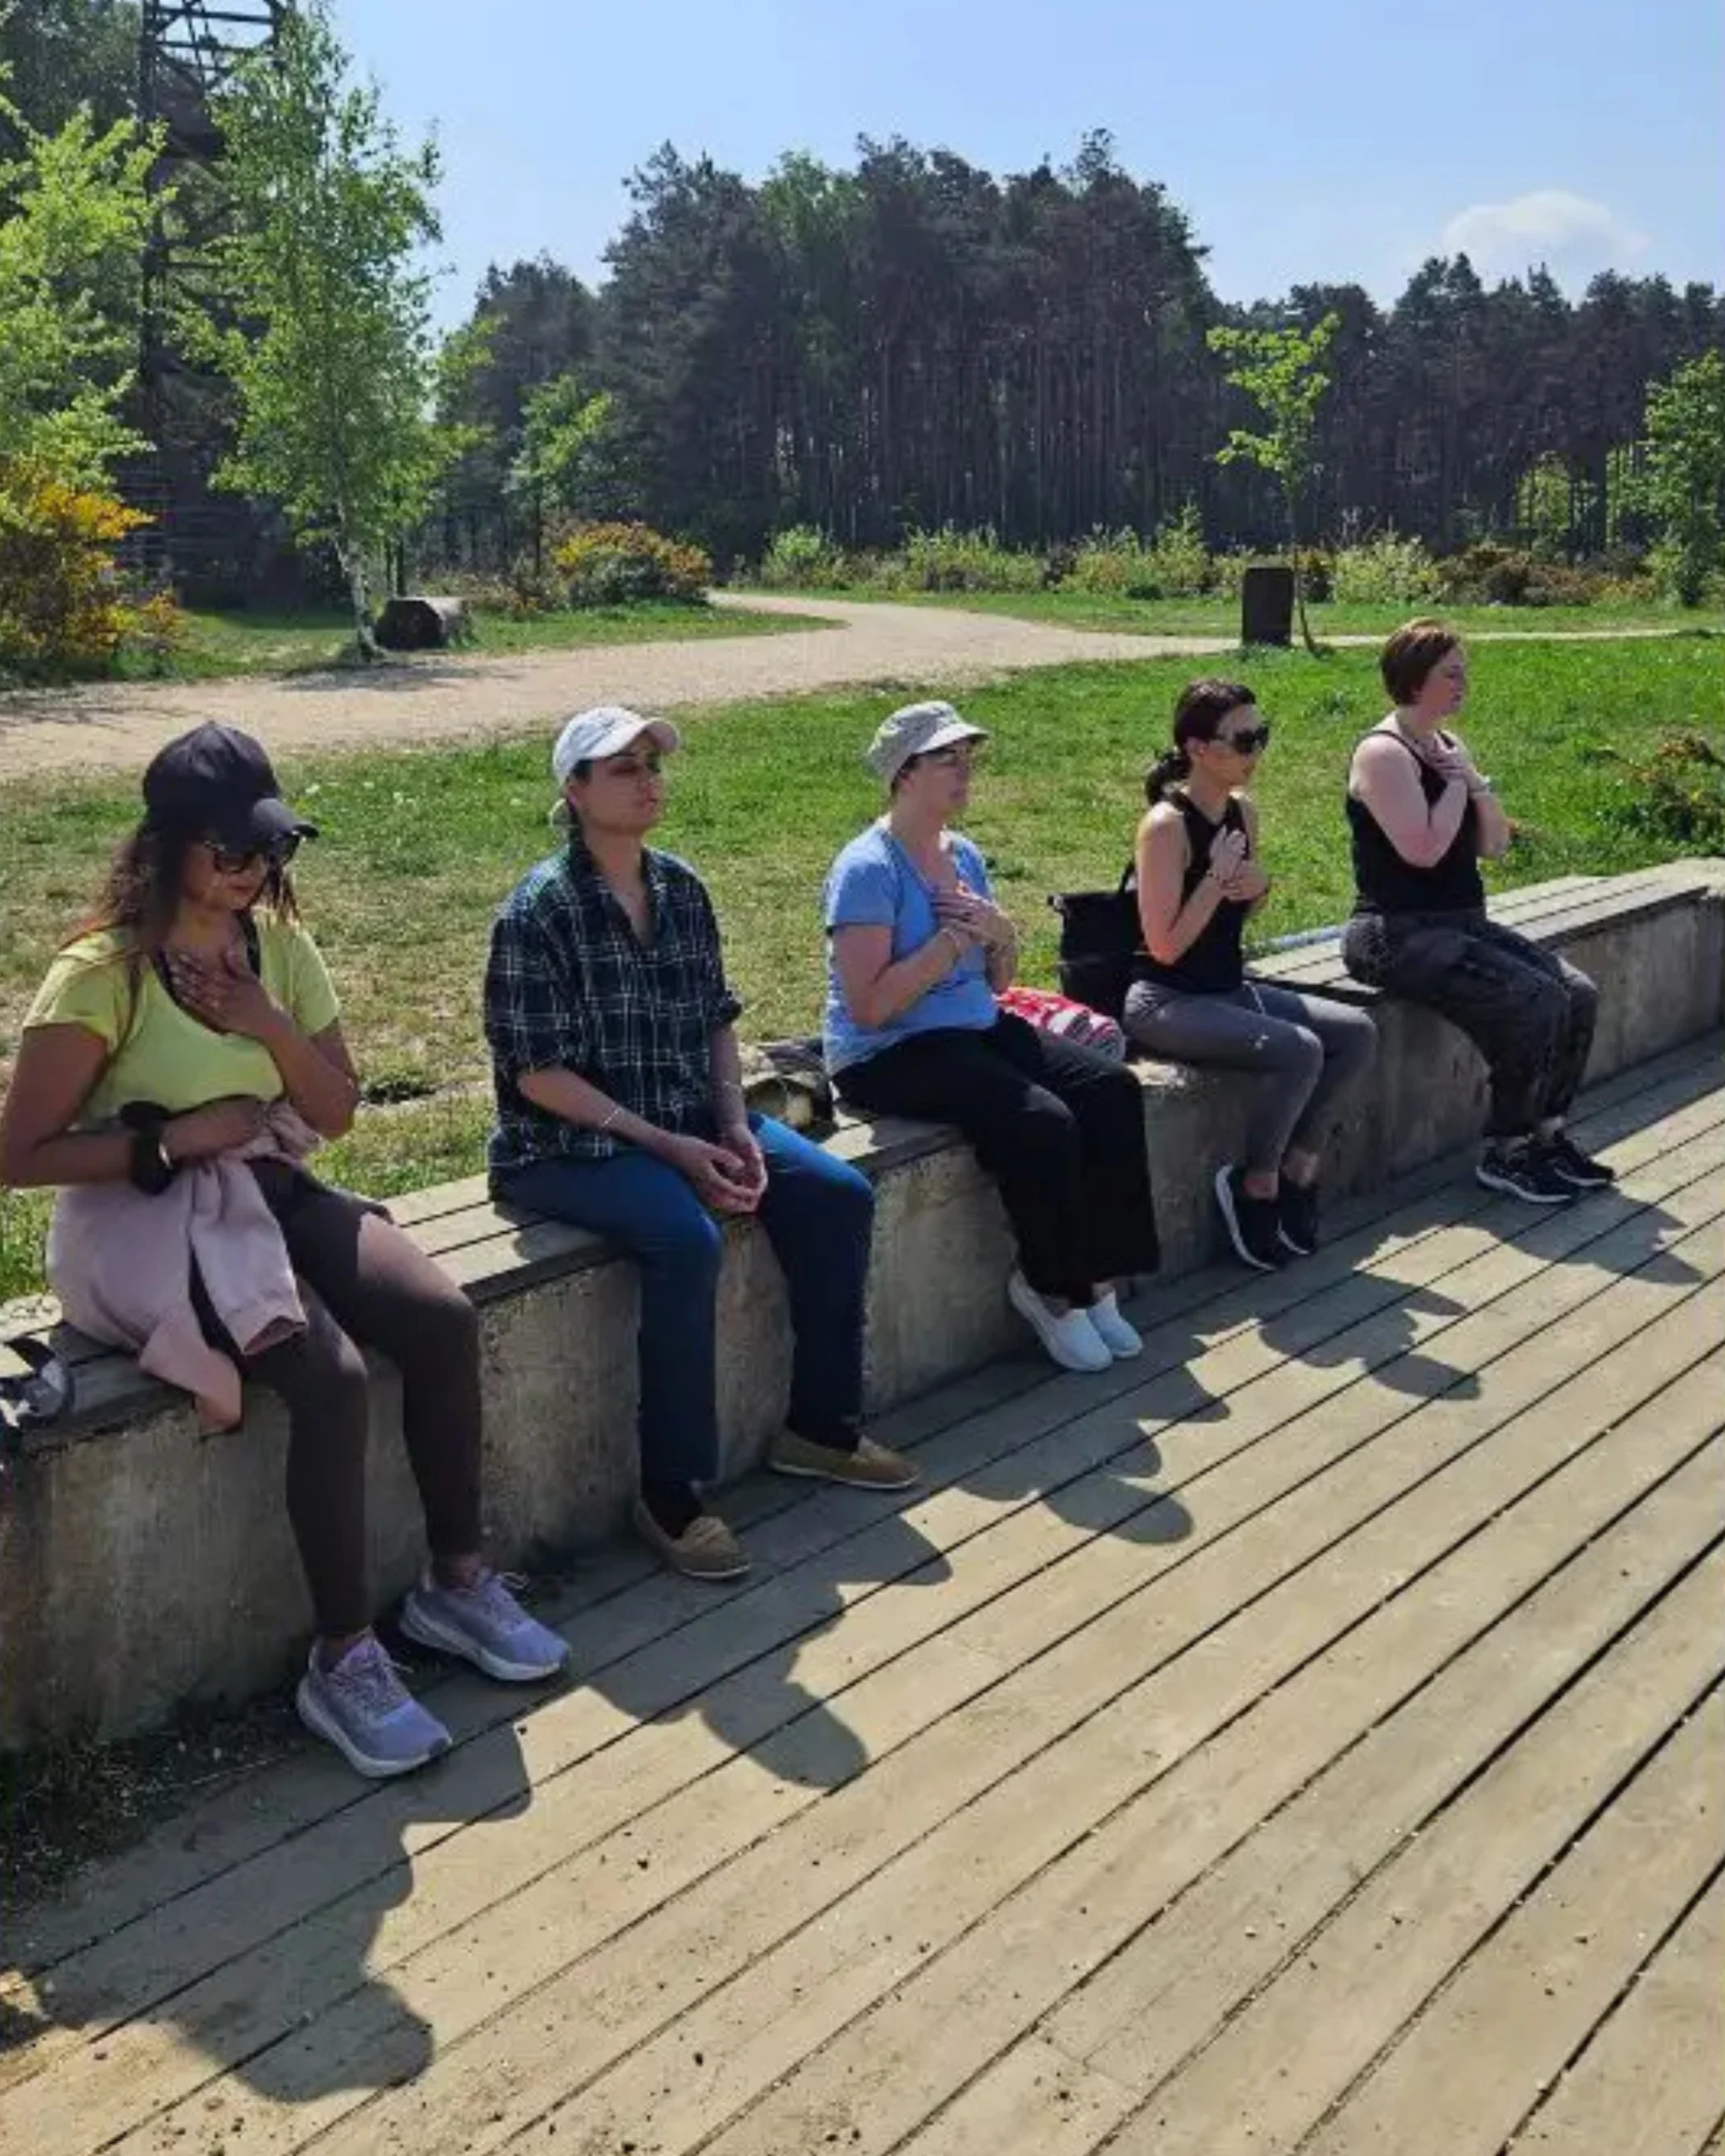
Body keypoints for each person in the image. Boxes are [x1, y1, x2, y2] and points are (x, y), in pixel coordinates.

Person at [0, 723, 568, 1781]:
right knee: (329, 1377)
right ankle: (343, 1655)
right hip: (144, 1217)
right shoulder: (100, 976)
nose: (258, 871)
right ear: (168, 846)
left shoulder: (276, 949)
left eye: (273, 849)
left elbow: (338, 1109)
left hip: (268, 1179)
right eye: (234, 852)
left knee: (441, 1319)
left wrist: (266, 1025)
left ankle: (455, 1581)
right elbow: (19, 1153)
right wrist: (169, 1137)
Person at [483, 706, 916, 1586]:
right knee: (684, 1237)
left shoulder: (679, 886)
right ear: (573, 792)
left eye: (652, 763)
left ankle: (818, 1428)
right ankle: (670, 1488)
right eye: (621, 768)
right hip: (567, 1146)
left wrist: (727, 1124)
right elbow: (536, 1074)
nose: (647, 780)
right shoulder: (539, 910)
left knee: (836, 1196)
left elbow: (717, 1019)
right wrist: (672, 1150)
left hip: (683, 1116)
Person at [823, 700, 1160, 1376]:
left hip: (973, 1026)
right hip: (887, 1054)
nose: (965, 771)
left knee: (1112, 1090)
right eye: (948, 758)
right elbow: (869, 1009)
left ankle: (1094, 1275)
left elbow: (998, 979)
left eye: (968, 757)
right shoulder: (867, 868)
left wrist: (1000, 936)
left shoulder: (965, 856)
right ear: (904, 773)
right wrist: (950, 943)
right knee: (1042, 1122)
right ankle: (1046, 1286)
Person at [1342, 619, 1612, 1203]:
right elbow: (1424, 849)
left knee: (1578, 992)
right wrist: (1460, 785)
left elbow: (1494, 845)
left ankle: (1548, 1135)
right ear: (1416, 680)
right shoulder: (1383, 753)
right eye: (1452, 673)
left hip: (1461, 923)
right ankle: (1506, 1150)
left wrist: (1472, 782)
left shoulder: (1448, 748)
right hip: (1394, 933)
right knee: (1532, 998)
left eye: (1465, 671)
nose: (1465, 683)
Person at [1124, 679, 1377, 1271]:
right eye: (1243, 739)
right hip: (1165, 1001)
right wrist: (1214, 881)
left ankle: (1299, 1167)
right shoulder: (1165, 826)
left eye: (1260, 736)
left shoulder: (1243, 813)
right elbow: (1163, 947)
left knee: (1358, 1033)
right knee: (1300, 1050)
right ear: (1198, 748)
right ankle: (1254, 1184)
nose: (1255, 751)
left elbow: (1241, 910)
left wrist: (1258, 888)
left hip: (1227, 989)